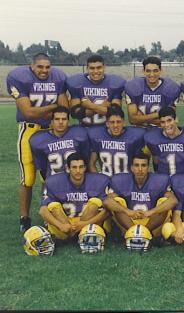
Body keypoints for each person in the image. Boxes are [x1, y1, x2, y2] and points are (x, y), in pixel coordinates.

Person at [6, 52, 68, 232]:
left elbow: (64, 109)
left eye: (47, 67)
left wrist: (52, 110)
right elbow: (29, 113)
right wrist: (54, 108)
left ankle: (48, 214)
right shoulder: (18, 77)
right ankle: (24, 218)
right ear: (32, 66)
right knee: (28, 178)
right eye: (40, 67)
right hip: (30, 131)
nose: (44, 70)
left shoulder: (58, 77)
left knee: (48, 178)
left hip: (50, 131)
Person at [39, 152, 110, 241]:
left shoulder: (98, 181)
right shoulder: (54, 182)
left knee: (95, 202)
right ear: (68, 168)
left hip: (87, 223)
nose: (78, 171)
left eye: (81, 167)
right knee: (53, 206)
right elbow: (43, 210)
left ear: (85, 168)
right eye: (74, 167)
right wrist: (60, 225)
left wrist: (84, 224)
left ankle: (77, 235)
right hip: (65, 225)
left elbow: (108, 211)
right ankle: (72, 235)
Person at [104, 153, 177, 238]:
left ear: (148, 168)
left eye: (143, 165)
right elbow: (107, 201)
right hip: (129, 221)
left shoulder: (159, 180)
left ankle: (144, 233)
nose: (140, 169)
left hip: (152, 222)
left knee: (164, 202)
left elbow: (173, 200)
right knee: (117, 201)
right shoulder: (122, 180)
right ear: (131, 168)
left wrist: (151, 212)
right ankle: (134, 232)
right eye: (136, 165)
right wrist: (128, 211)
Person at [30, 106, 89, 178]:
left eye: (64, 119)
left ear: (68, 121)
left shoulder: (79, 133)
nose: (60, 122)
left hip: (75, 181)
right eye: (57, 119)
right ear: (52, 122)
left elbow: (85, 159)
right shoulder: (38, 139)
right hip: (53, 183)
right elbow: (42, 167)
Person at [144, 107, 184, 176]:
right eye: (163, 122)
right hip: (164, 181)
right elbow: (156, 162)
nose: (167, 125)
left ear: (176, 119)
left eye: (169, 120)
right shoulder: (153, 138)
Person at [67, 54, 125, 127]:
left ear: (104, 67)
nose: (95, 71)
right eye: (92, 68)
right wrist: (102, 108)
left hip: (106, 131)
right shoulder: (78, 83)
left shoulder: (114, 83)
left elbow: (116, 112)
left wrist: (90, 105)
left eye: (99, 67)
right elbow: (75, 113)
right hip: (85, 129)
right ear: (87, 68)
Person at [88, 105, 145, 177]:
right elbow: (91, 163)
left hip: (126, 183)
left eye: (118, 122)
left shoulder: (134, 136)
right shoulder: (97, 135)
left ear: (123, 122)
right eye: (112, 122)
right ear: (107, 123)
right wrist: (100, 181)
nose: (115, 125)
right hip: (106, 182)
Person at [125, 56, 180, 128]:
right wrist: (160, 114)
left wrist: (141, 119)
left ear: (161, 71)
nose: (152, 74)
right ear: (143, 71)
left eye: (155, 71)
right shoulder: (134, 86)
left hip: (161, 132)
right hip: (140, 131)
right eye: (148, 71)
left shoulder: (170, 88)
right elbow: (132, 120)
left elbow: (169, 122)